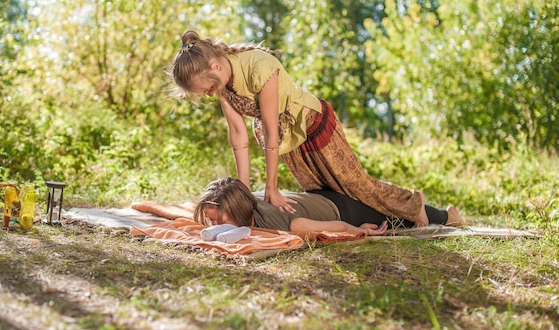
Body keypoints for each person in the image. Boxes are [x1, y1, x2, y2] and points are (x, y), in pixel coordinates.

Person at [169, 30, 430, 226]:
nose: (211, 95)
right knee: (323, 194)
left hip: (313, 125)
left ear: (215, 67)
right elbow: (238, 136)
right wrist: (243, 191)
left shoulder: (259, 66)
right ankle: (398, 221)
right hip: (288, 138)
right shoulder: (223, 82)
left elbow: (271, 130)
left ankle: (414, 205)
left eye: (209, 89)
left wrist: (271, 188)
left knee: (354, 185)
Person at [193, 178, 465, 236]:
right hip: (318, 198)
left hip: (343, 211)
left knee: (398, 220)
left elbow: (332, 228)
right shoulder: (243, 202)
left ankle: (448, 215)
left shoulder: (278, 222)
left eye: (219, 219)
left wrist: (360, 232)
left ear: (239, 212)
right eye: (211, 220)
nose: (215, 226)